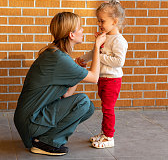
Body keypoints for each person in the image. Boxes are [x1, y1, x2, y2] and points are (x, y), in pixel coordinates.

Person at [14, 12, 106, 156]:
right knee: (82, 101)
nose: (83, 30)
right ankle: (46, 142)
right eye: (80, 28)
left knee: (88, 108)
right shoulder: (59, 58)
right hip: (30, 123)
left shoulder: (56, 54)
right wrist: (97, 46)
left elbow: (66, 94)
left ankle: (44, 139)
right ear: (71, 35)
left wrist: (79, 72)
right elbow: (95, 78)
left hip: (31, 121)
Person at [76, 0, 128, 149]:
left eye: (102, 20)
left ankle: (109, 137)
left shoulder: (119, 41)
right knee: (105, 108)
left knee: (108, 109)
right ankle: (104, 133)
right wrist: (83, 59)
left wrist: (100, 54)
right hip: (102, 79)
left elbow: (119, 61)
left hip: (112, 80)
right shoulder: (104, 36)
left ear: (115, 21)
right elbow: (94, 52)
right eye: (98, 20)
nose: (99, 23)